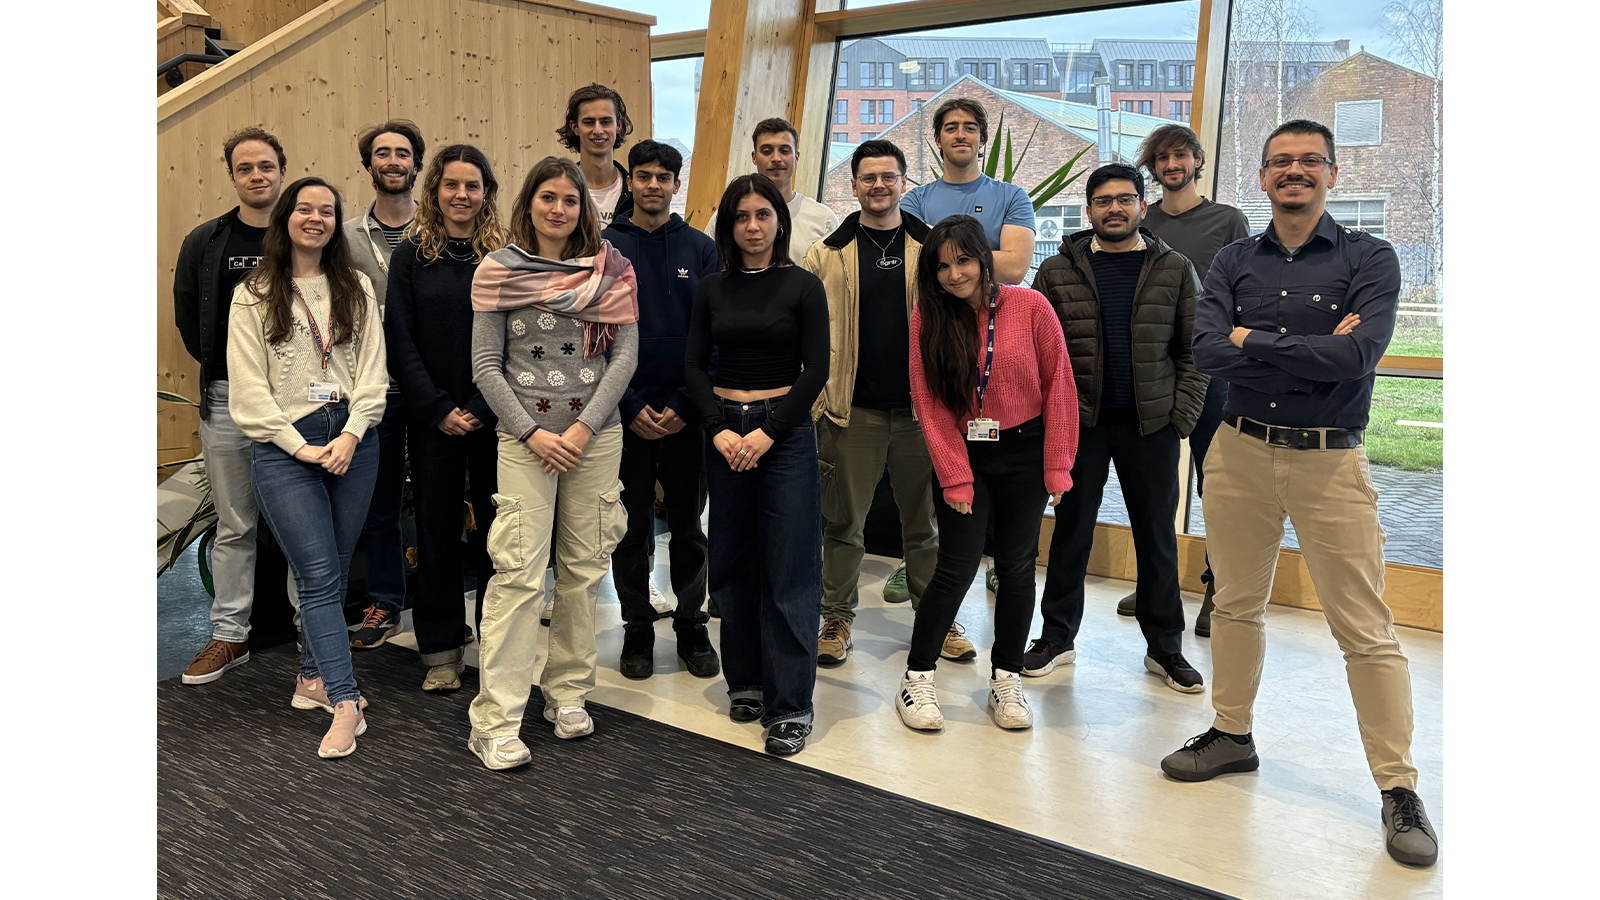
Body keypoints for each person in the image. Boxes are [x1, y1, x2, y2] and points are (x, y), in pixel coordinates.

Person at [1159, 120, 1438, 868]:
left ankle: (1398, 788)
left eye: (1309, 161)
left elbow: (1356, 357)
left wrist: (1256, 342)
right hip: (1240, 450)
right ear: (1261, 177)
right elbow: (1208, 349)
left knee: (1365, 629)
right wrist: (1285, 347)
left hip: (1329, 461)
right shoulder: (1230, 259)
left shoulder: (1370, 257)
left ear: (1333, 173)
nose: (1294, 172)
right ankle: (1231, 734)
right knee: (1236, 605)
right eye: (1281, 162)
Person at [465, 156, 639, 770]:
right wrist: (534, 433)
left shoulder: (613, 271)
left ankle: (566, 693)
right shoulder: (497, 271)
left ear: (583, 209)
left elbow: (622, 360)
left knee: (582, 573)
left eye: (570, 200)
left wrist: (584, 427)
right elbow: (486, 364)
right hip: (525, 444)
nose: (560, 209)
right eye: (548, 198)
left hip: (596, 439)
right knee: (516, 575)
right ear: (529, 204)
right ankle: (496, 719)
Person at [1023, 163, 1208, 693]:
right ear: (1089, 211)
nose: (1115, 209)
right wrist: (1048, 423)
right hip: (1079, 427)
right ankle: (1057, 637)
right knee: (1071, 534)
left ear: (1142, 207)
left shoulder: (1174, 269)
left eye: (1125, 199)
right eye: (1103, 201)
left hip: (1151, 427)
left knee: (1156, 540)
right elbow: (1035, 354)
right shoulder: (1058, 272)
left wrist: (1181, 417)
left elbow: (1196, 350)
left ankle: (1165, 648)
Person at [226, 176, 388, 758]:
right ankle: (344, 701)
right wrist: (300, 446)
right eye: (305, 208)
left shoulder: (358, 285)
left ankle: (310, 681)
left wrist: (349, 433)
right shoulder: (254, 291)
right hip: (284, 448)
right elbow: (247, 391)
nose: (315, 218)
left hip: (352, 438)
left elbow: (373, 371)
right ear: (286, 218)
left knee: (335, 571)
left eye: (327, 210)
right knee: (318, 576)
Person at [897, 215, 1076, 733]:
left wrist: (1059, 466)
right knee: (955, 566)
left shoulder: (1030, 306)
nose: (954, 275)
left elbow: (1059, 385)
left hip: (1024, 451)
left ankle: (1006, 677)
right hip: (964, 451)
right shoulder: (928, 317)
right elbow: (927, 402)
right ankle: (917, 676)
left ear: (984, 258)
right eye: (943, 266)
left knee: (1018, 568)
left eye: (964, 260)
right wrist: (954, 474)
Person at [685, 174, 829, 756]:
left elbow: (815, 370)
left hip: (784, 436)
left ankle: (791, 704)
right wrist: (719, 430)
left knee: (791, 570)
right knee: (732, 563)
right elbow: (693, 367)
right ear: (728, 224)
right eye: (741, 216)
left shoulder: (803, 286)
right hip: (724, 433)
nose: (752, 226)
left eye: (763, 215)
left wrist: (769, 432)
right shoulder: (711, 289)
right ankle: (744, 682)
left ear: (779, 221)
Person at [800, 139, 938, 666]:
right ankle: (836, 618)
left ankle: (935, 617)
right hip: (848, 410)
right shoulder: (826, 253)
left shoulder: (931, 249)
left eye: (888, 177)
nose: (878, 186)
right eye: (868, 178)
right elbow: (807, 337)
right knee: (843, 524)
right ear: (852, 185)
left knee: (923, 525)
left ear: (904, 182)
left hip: (919, 413)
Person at [1111, 123, 1253, 633]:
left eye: (1180, 156)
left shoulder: (1226, 220)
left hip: (1212, 374)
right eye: (1162, 158)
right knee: (1154, 488)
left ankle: (1222, 589)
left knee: (1215, 484)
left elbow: (1249, 290)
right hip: (1153, 377)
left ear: (1197, 160)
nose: (1172, 165)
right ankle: (1157, 585)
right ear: (1153, 169)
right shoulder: (1141, 226)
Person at [901, 96, 1039, 612]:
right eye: (950, 128)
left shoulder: (1011, 194)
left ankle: (1002, 570)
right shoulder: (915, 202)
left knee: (1008, 506)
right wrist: (984, 257)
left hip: (1002, 352)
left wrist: (956, 261)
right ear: (938, 139)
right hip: (938, 341)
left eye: (970, 128)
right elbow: (926, 273)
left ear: (982, 138)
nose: (960, 135)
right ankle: (928, 569)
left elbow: (1017, 267)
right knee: (939, 466)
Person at [384, 144, 508, 691]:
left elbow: (519, 338)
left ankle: (497, 640)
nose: (461, 195)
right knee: (433, 529)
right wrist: (436, 408)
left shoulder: (505, 256)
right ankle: (440, 648)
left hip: (496, 414)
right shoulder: (412, 255)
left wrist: (483, 407)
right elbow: (400, 338)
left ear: (487, 193)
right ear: (434, 189)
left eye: (472, 185)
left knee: (498, 532)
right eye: (452, 185)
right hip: (430, 416)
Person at [603, 140, 722, 680]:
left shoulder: (700, 248)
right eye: (644, 176)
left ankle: (693, 626)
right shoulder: (604, 246)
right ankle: (637, 628)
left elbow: (715, 335)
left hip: (686, 413)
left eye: (664, 177)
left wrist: (682, 405)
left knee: (688, 528)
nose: (653, 185)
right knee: (628, 532)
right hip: (621, 414)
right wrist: (628, 405)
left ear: (677, 184)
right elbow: (593, 337)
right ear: (631, 182)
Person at [173, 126, 286, 685]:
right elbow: (191, 321)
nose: (257, 176)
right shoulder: (206, 241)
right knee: (236, 524)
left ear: (281, 172)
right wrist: (237, 374)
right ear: (234, 177)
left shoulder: (303, 234)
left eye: (266, 166)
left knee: (301, 525)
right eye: (246, 168)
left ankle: (314, 633)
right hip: (226, 400)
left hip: (297, 406)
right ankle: (229, 636)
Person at [343, 119, 427, 650]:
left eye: (402, 153)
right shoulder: (346, 237)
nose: (393, 161)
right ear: (369, 165)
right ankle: (384, 603)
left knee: (439, 502)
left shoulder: (442, 231)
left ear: (416, 164)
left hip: (434, 390)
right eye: (382, 153)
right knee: (380, 504)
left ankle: (441, 605)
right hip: (375, 391)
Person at [706, 117, 840, 260]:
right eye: (767, 151)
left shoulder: (823, 219)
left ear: (796, 157)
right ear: (754, 157)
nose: (776, 158)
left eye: (784, 150)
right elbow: (710, 268)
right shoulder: (728, 213)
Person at [558, 83, 634, 229]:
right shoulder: (559, 189)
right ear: (574, 127)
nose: (598, 130)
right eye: (589, 122)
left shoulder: (635, 192)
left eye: (605, 122)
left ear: (619, 125)